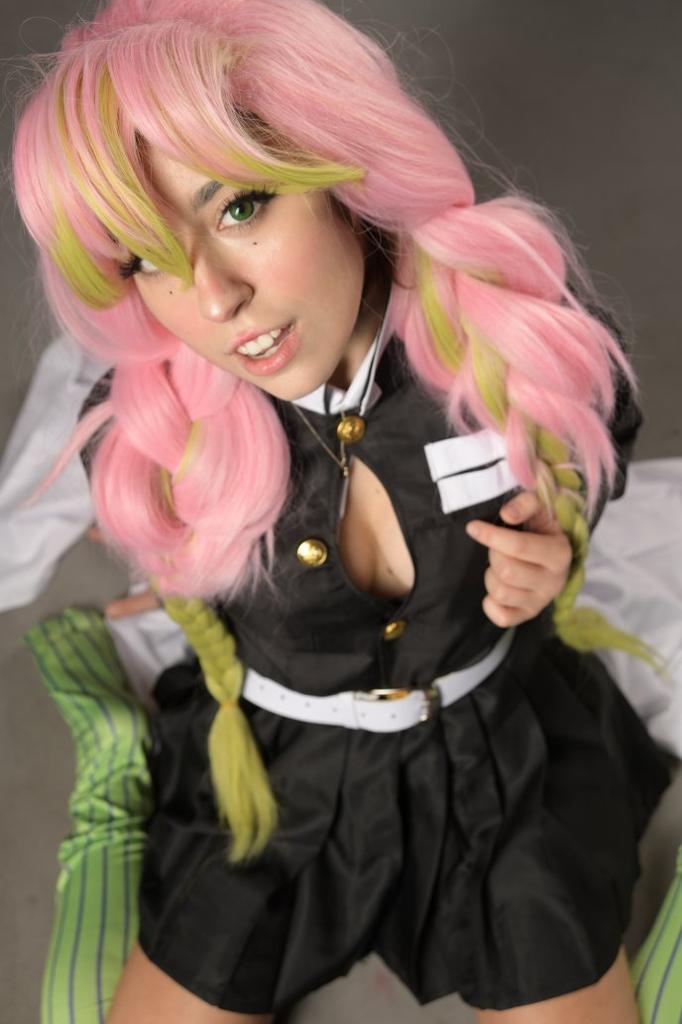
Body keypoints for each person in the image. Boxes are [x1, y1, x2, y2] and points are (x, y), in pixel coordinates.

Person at [10, 0, 672, 1020]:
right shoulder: (155, 428)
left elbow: (597, 432)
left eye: (240, 208)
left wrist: (558, 533)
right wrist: (185, 581)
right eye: (147, 258)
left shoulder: (509, 335)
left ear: (341, 175)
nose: (214, 299)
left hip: (499, 759)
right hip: (273, 783)